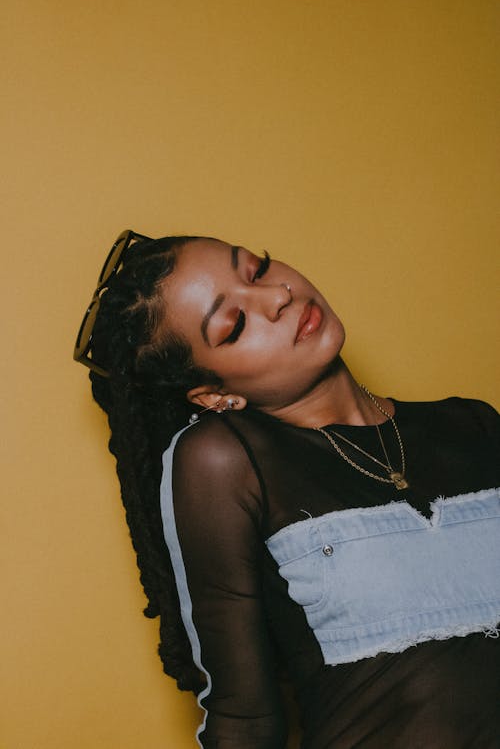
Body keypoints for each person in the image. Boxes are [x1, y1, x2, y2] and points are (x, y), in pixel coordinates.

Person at [74, 229, 500, 749]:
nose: (278, 298)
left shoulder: (473, 426)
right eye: (234, 325)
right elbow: (243, 720)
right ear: (214, 395)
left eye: (258, 269)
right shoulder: (226, 462)